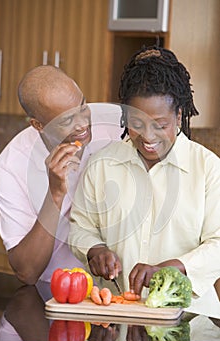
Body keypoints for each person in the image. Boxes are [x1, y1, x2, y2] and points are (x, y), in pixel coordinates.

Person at [69, 46, 220, 311]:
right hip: (115, 312)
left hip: (189, 318)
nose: (148, 137)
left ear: (179, 115)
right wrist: (95, 249)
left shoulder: (208, 169)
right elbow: (81, 226)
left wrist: (174, 268)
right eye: (137, 124)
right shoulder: (102, 164)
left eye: (160, 125)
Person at [0, 65, 123, 285]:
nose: (82, 124)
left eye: (82, 106)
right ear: (38, 125)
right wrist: (55, 194)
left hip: (122, 283)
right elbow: (27, 271)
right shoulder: (11, 166)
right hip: (59, 292)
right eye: (66, 120)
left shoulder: (114, 127)